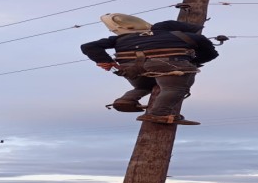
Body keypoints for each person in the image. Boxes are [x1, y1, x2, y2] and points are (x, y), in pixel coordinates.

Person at [81, 13, 218, 125]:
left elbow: (88, 46)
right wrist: (193, 62)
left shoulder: (122, 37)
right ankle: (159, 114)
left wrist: (105, 61)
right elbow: (211, 54)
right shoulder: (188, 36)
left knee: (146, 85)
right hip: (170, 65)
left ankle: (127, 99)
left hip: (131, 69)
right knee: (174, 88)